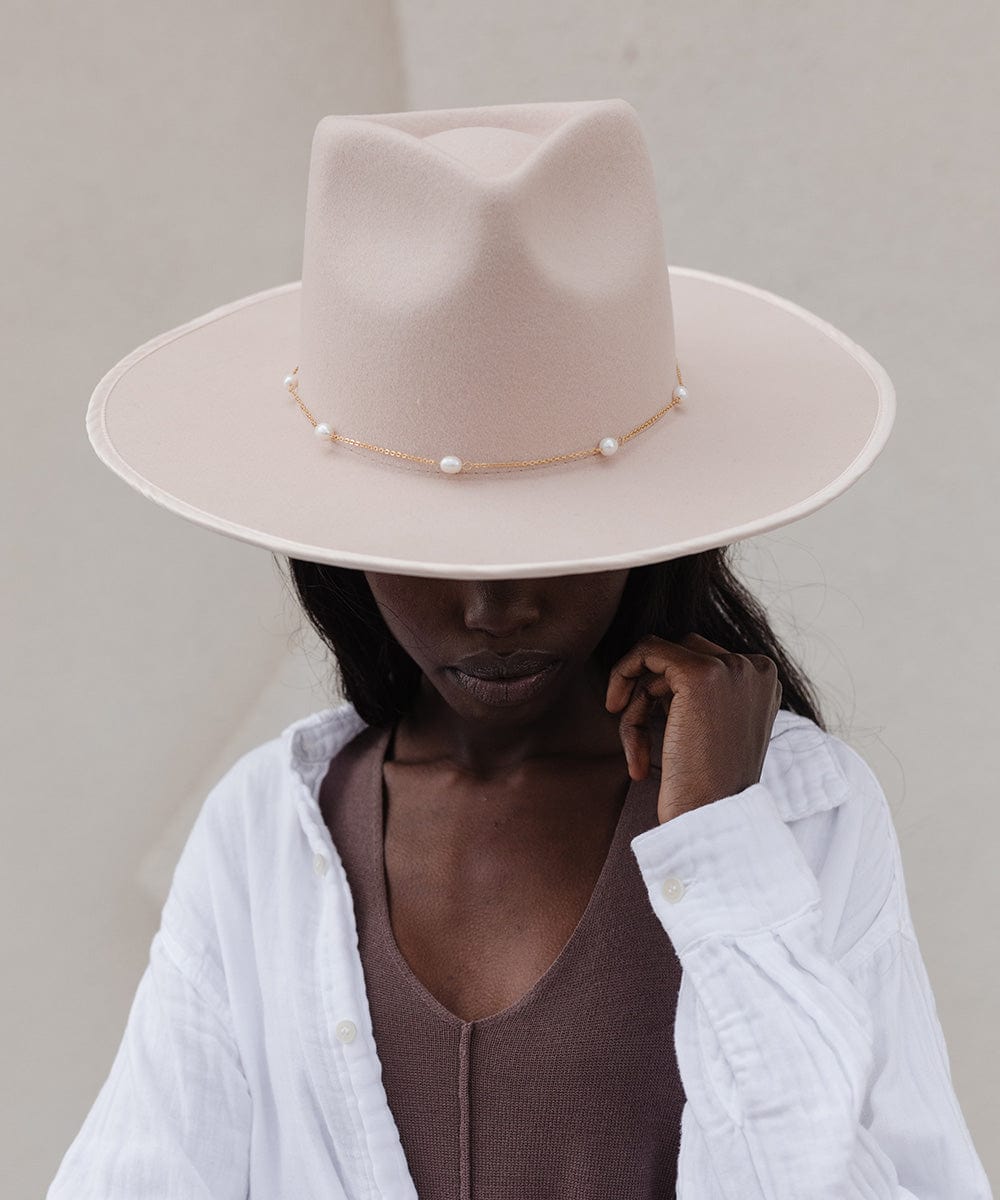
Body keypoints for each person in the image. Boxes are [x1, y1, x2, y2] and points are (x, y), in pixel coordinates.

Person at [49, 98, 992, 1197]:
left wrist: (725, 850)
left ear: (647, 527)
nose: (494, 606)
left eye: (551, 538)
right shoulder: (265, 837)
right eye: (429, 547)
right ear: (336, 545)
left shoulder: (803, 816)